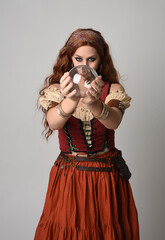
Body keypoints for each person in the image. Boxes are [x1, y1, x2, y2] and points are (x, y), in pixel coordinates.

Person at [34, 28, 139, 239]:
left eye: (91, 59)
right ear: (70, 59)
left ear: (100, 61)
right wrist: (72, 99)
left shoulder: (112, 88)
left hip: (107, 179)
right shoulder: (57, 89)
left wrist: (93, 102)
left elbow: (114, 122)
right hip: (70, 178)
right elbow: (54, 122)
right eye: (78, 58)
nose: (84, 66)